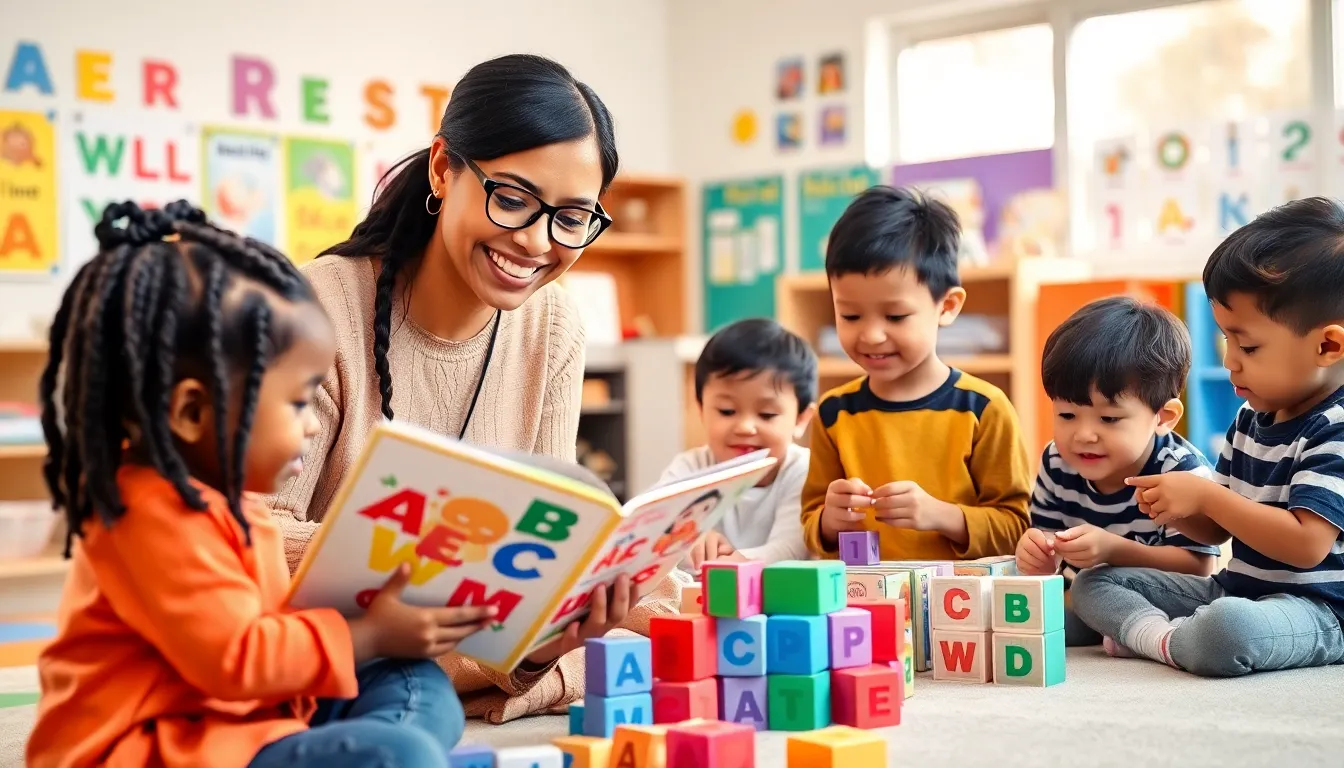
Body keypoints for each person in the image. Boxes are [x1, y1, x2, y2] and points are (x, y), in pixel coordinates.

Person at [26, 202, 490, 768]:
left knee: (416, 686)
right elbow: (236, 657)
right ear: (193, 413)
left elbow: (265, 628)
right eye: (297, 402)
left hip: (248, 720)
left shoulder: (232, 497)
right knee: (397, 748)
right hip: (160, 747)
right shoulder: (147, 514)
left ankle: (405, 754)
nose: (313, 422)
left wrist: (375, 631)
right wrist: (365, 635)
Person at [266, 53, 651, 722]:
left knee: (663, 621)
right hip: (315, 645)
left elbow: (547, 534)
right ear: (444, 170)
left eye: (571, 218)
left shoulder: (554, 323)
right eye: (512, 199)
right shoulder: (314, 310)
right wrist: (422, 565)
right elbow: (246, 537)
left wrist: (557, 622)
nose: (535, 242)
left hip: (457, 637)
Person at [1072, 197, 1344, 677]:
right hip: (1236, 589)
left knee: (1227, 630)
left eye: (1249, 345)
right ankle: (1166, 639)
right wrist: (1183, 508)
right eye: (1225, 339)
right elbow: (1218, 531)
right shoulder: (1249, 418)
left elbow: (1307, 545)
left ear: (1327, 345)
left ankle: (1159, 637)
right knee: (1094, 584)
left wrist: (1206, 497)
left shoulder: (1334, 427)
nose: (1229, 361)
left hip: (1319, 611)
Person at [799, 186, 1032, 561]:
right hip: (861, 606)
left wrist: (941, 515)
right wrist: (829, 519)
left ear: (948, 306)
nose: (872, 334)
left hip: (958, 610)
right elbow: (811, 526)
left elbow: (1017, 528)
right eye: (850, 315)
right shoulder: (833, 413)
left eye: (895, 316)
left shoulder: (983, 408)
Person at [1014, 297, 1219, 646]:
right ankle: (1124, 634)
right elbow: (1048, 543)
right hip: (1091, 598)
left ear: (1164, 417)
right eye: (1067, 415)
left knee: (1089, 589)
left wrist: (1113, 551)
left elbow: (1199, 568)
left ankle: (1156, 638)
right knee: (1033, 619)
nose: (1083, 435)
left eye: (1109, 419)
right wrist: (1039, 553)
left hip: (1167, 595)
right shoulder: (1056, 461)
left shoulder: (1179, 473)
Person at [658, 318, 817, 571]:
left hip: (780, 602)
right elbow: (655, 530)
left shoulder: (803, 471)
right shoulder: (689, 467)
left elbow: (790, 548)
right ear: (700, 410)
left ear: (801, 419)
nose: (745, 427)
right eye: (727, 410)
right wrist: (689, 542)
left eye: (766, 414)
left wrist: (732, 561)